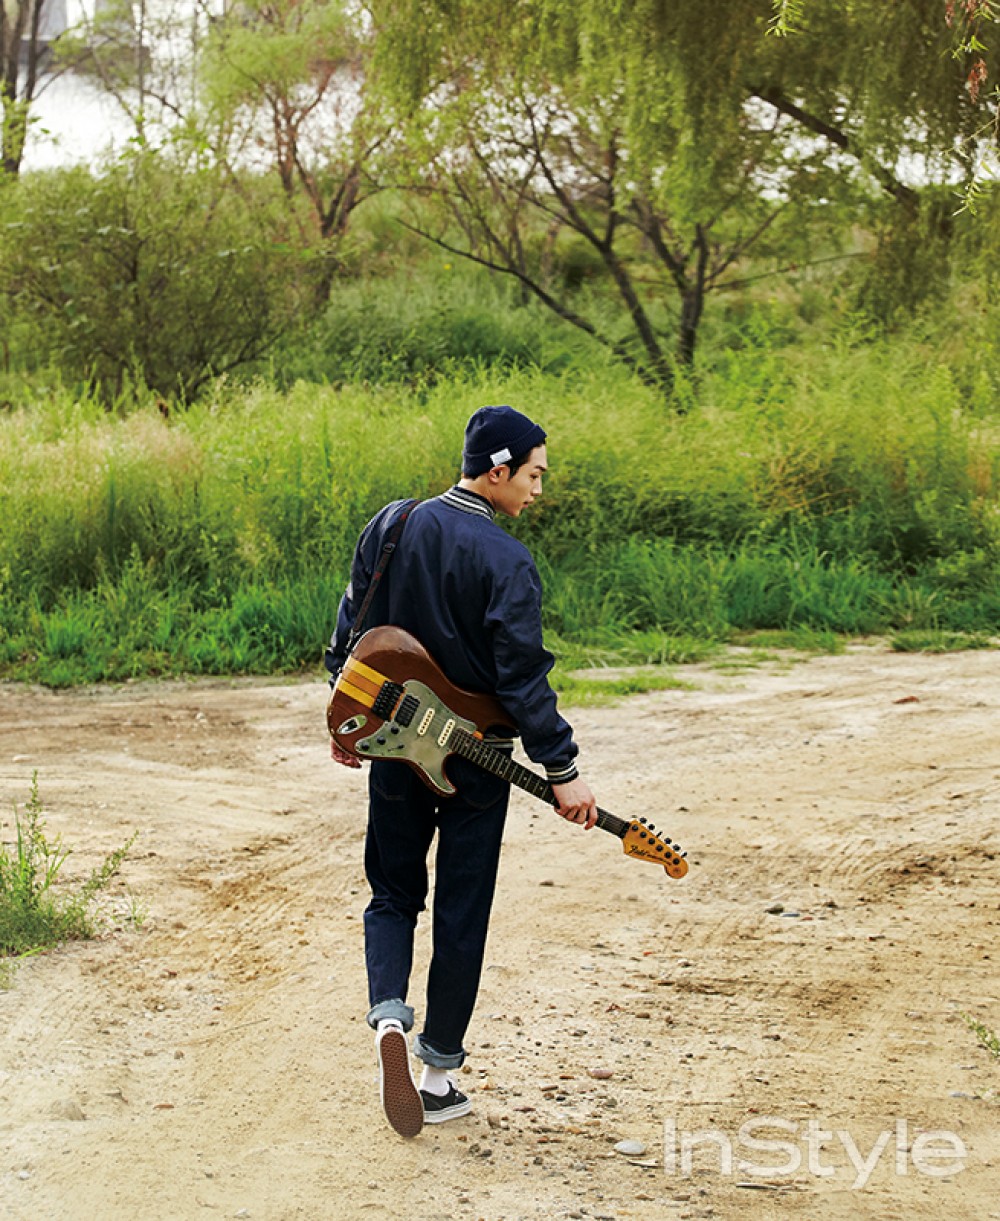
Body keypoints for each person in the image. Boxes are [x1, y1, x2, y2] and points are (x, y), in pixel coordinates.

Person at [325, 404, 598, 1139]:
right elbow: (522, 680)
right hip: (478, 759)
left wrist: (349, 718)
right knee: (461, 909)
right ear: (500, 469)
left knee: (391, 891)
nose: (538, 490)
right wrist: (562, 768)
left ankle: (388, 1013)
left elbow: (347, 636)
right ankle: (438, 1074)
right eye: (535, 474)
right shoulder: (506, 559)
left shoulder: (392, 523)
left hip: (395, 747)